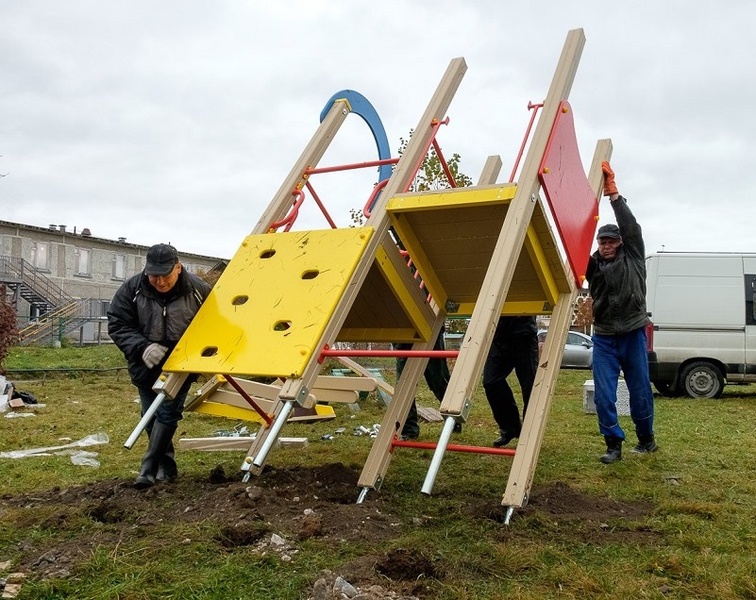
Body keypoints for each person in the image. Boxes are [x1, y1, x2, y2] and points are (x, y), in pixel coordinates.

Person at [108, 243, 211, 488]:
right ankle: (167, 466)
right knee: (150, 415)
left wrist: (199, 353)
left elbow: (215, 323)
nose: (160, 282)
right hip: (145, 362)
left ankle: (149, 467)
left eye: (165, 275)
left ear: (178, 268)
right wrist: (142, 347)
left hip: (182, 362)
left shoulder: (199, 290)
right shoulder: (132, 289)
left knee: (167, 412)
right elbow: (118, 323)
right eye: (154, 276)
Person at [586, 161, 657, 464]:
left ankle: (646, 439)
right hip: (603, 337)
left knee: (639, 391)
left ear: (621, 243)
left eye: (611, 241)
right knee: (604, 395)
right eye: (602, 241)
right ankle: (613, 443)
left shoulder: (634, 256)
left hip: (632, 332)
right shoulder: (592, 266)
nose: (606, 245)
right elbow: (572, 239)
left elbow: (631, 227)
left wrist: (613, 195)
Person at [394, 326, 460, 440]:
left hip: (430, 331)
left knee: (438, 381)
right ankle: (409, 430)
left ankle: (453, 419)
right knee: (403, 387)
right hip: (403, 336)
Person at [483, 316, 539, 447]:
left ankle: (529, 435)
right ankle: (510, 428)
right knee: (490, 382)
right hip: (500, 335)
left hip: (524, 334)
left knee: (530, 388)